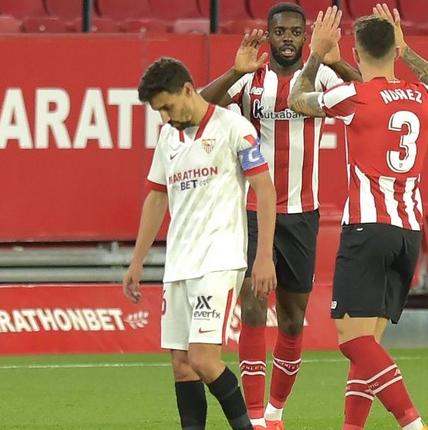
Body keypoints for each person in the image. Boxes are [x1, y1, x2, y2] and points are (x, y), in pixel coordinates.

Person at [288, 4, 428, 430]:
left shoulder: (353, 97)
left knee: (354, 341)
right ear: (394, 50)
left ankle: (412, 423)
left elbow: (295, 100)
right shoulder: (420, 96)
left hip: (368, 228)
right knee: (371, 341)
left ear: (357, 51)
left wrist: (316, 55)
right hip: (408, 232)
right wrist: (409, 50)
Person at [199, 3, 362, 429]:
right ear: (268, 35)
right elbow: (198, 107)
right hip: (252, 212)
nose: (287, 38)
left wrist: (335, 58)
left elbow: (370, 96)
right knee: (253, 309)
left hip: (302, 215)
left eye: (294, 31)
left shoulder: (320, 74)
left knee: (291, 318)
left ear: (305, 35)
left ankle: (275, 414)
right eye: (280, 31)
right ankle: (254, 419)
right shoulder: (251, 77)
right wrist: (235, 71)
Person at [122, 56, 278, 430]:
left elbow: (265, 189)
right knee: (181, 366)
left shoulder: (233, 127)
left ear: (188, 90)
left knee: (204, 359)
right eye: (159, 111)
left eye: (168, 107)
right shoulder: (168, 138)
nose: (165, 117)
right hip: (178, 263)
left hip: (219, 259)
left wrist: (264, 256)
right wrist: (137, 260)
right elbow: (157, 197)